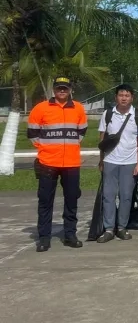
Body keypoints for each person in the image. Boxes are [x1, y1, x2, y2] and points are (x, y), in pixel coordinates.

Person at [28, 77, 87, 252]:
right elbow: (32, 133)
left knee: (71, 200)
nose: (62, 91)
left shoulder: (78, 108)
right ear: (53, 90)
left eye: (65, 88)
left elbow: (82, 131)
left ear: (70, 90)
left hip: (71, 163)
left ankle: (70, 235)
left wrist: (69, 145)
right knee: (45, 201)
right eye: (59, 88)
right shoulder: (40, 108)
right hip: (48, 162)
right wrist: (45, 148)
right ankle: (44, 238)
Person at [97, 84, 138, 243]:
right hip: (110, 160)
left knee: (126, 196)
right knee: (108, 196)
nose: (124, 98)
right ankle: (108, 228)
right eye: (121, 95)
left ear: (132, 98)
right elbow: (102, 139)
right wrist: (101, 160)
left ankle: (121, 227)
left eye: (127, 95)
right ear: (116, 97)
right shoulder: (108, 114)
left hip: (130, 162)